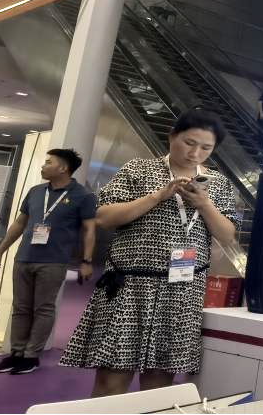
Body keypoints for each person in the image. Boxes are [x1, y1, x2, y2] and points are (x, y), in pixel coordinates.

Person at [60, 109, 239, 396]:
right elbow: (103, 217)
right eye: (189, 143)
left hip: (182, 290)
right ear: (172, 136)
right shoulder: (139, 169)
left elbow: (227, 235)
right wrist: (158, 196)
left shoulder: (217, 184)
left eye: (206, 148)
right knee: (112, 377)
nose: (195, 153)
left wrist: (204, 205)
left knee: (159, 383)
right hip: (129, 285)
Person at [0, 149, 97, 375]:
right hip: (24, 257)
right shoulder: (35, 192)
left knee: (43, 308)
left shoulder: (83, 196)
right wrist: (0, 250)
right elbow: (20, 223)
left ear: (63, 168)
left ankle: (31, 356)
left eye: (48, 162)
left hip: (53, 262)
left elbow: (89, 230)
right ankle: (16, 353)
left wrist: (87, 261)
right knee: (20, 307)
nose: (43, 166)